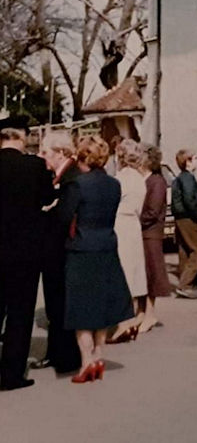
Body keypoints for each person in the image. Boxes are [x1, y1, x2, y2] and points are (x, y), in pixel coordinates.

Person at [59, 136, 134, 383]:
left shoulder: (78, 185)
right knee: (102, 306)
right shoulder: (114, 185)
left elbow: (64, 217)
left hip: (82, 249)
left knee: (81, 309)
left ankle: (86, 362)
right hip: (107, 246)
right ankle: (99, 355)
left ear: (83, 158)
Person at [0, 127, 54, 390]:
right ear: (20, 140)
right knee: (20, 314)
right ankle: (11, 374)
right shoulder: (34, 166)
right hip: (24, 251)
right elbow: (47, 198)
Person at [31, 131, 82, 373]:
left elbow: (64, 216)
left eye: (46, 152)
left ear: (60, 153)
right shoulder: (61, 176)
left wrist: (44, 211)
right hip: (56, 252)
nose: (42, 157)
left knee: (60, 304)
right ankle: (57, 354)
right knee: (55, 305)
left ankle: (65, 357)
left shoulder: (71, 178)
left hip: (61, 252)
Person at [108, 139, 148, 343]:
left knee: (121, 272)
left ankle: (122, 323)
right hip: (133, 225)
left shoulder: (119, 179)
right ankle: (130, 318)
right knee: (132, 272)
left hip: (120, 225)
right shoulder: (139, 179)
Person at [139, 144, 171, 333]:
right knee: (143, 275)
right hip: (144, 234)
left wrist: (134, 220)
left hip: (151, 234)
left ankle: (150, 314)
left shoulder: (156, 181)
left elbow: (152, 211)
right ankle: (142, 312)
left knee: (152, 275)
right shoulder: (147, 180)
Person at [172, 149, 197, 299]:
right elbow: (189, 200)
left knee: (185, 250)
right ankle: (185, 284)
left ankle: (184, 284)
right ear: (188, 161)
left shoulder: (181, 178)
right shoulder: (188, 179)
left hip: (180, 217)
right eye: (195, 158)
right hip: (188, 217)